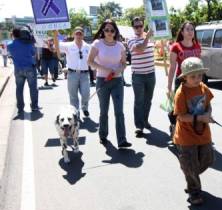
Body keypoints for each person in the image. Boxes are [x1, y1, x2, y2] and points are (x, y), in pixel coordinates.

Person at [173, 57, 214, 205]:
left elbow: (208, 105)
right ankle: (194, 191)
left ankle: (191, 175)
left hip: (203, 133)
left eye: (199, 75)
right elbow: (181, 117)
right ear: (184, 77)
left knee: (208, 159)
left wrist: (208, 114)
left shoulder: (203, 87)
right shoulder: (181, 93)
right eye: (193, 76)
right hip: (186, 136)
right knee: (190, 164)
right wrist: (201, 118)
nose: (197, 79)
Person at [88, 19, 132, 149]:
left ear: (115, 32)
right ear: (102, 30)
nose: (109, 32)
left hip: (117, 81)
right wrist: (105, 69)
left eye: (112, 30)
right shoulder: (97, 43)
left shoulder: (120, 45)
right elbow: (90, 61)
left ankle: (122, 140)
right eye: (106, 29)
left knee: (119, 112)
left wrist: (119, 69)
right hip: (103, 80)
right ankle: (103, 135)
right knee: (104, 111)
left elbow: (124, 63)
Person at [167, 21, 201, 137]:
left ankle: (190, 132)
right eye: (187, 29)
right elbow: (172, 68)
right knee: (179, 108)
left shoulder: (197, 45)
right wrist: (169, 87)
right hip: (181, 81)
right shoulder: (176, 47)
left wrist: (200, 81)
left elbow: (199, 66)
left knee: (194, 108)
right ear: (182, 32)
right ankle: (175, 128)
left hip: (196, 82)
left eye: (192, 29)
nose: (190, 32)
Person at [127, 17, 155, 137]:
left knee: (148, 101)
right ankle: (139, 126)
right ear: (133, 28)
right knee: (139, 101)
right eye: (136, 26)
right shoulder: (130, 39)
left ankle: (145, 120)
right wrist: (147, 37)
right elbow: (139, 50)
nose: (138, 28)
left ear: (143, 26)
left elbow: (158, 48)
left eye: (140, 26)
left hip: (151, 74)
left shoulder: (151, 37)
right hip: (138, 75)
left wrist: (163, 34)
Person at [54, 27, 91, 117]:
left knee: (86, 94)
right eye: (77, 33)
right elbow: (56, 45)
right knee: (73, 95)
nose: (78, 35)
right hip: (72, 74)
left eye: (80, 33)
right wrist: (55, 34)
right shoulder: (68, 45)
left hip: (84, 74)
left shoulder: (88, 46)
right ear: (74, 34)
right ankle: (75, 113)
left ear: (83, 35)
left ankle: (84, 107)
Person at [7, 27, 39, 114]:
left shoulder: (9, 45)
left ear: (13, 35)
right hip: (30, 68)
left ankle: (20, 108)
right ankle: (34, 106)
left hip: (18, 69)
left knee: (19, 89)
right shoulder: (29, 44)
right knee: (33, 88)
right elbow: (33, 53)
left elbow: (10, 50)